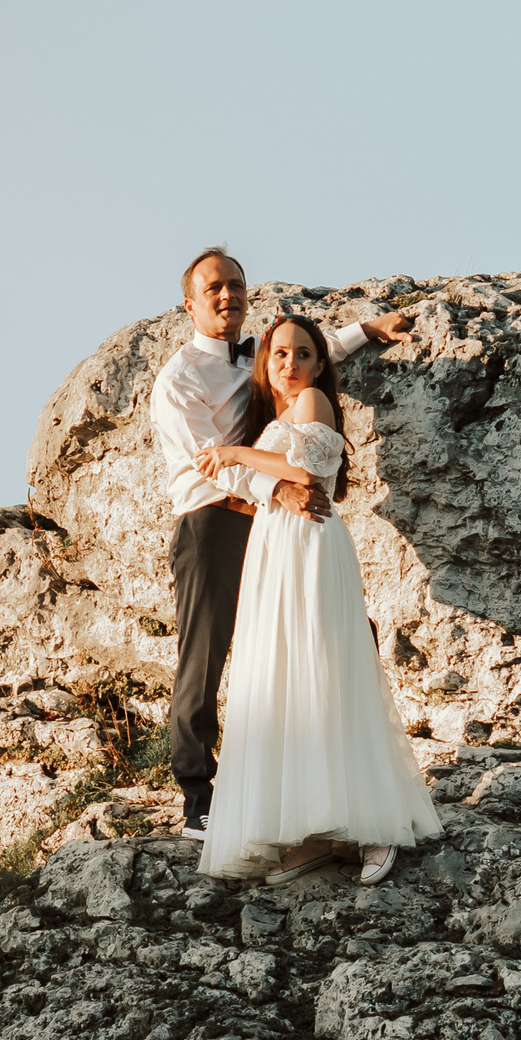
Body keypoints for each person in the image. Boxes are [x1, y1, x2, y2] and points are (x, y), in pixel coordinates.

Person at [150, 248, 415, 841]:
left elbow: (302, 361)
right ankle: (198, 796)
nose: (228, 295)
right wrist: (281, 487)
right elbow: (207, 463)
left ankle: (332, 775)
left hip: (270, 523)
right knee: (206, 654)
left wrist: (367, 329)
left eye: (237, 285)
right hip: (213, 521)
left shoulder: (259, 356)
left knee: (311, 635)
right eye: (214, 288)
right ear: (190, 304)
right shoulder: (178, 379)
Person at [191, 313, 441, 885]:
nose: (290, 363)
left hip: (310, 544)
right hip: (275, 548)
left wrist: (233, 454)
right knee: (287, 678)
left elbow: (304, 473)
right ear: (265, 363)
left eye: (303, 354)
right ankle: (316, 831)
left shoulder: (313, 406)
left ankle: (375, 824)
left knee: (328, 667)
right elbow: (268, 477)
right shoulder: (280, 413)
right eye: (279, 354)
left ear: (320, 362)